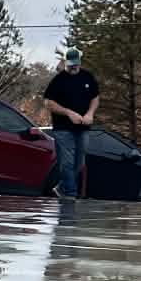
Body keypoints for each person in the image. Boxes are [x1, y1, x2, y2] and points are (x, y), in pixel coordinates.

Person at [42, 47, 100, 199]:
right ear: (65, 62)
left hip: (83, 126)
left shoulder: (87, 77)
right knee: (66, 162)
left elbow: (95, 98)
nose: (74, 67)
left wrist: (90, 113)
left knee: (79, 162)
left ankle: (62, 187)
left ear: (80, 62)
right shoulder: (58, 80)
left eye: (76, 64)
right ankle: (70, 194)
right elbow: (48, 103)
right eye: (70, 65)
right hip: (63, 128)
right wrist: (69, 113)